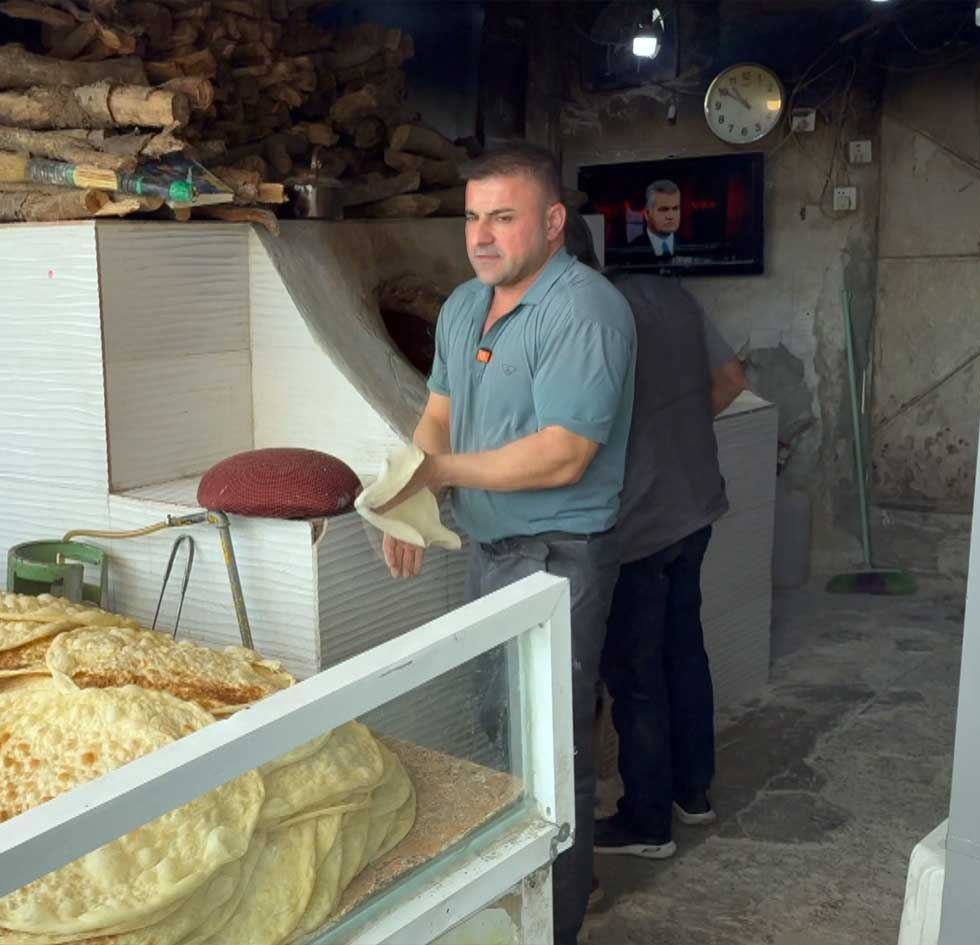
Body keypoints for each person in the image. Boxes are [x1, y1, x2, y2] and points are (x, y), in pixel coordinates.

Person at [373, 142, 636, 945]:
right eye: (472, 217)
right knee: (502, 726)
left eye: (504, 216)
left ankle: (554, 921)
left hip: (560, 556)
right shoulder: (462, 306)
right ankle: (532, 888)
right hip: (492, 550)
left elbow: (566, 451)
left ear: (553, 222)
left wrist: (441, 472)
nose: (482, 235)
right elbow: (440, 416)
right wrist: (410, 504)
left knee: (551, 742)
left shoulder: (584, 309)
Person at [587, 250, 748, 861]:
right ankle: (692, 794)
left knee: (636, 677)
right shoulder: (675, 297)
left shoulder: (590, 312)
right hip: (695, 506)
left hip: (639, 523)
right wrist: (673, 429)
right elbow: (732, 378)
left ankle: (647, 824)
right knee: (684, 654)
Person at [627, 179, 682, 258]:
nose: (670, 216)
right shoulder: (631, 251)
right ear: (647, 214)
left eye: (675, 208)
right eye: (664, 209)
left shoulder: (692, 247)